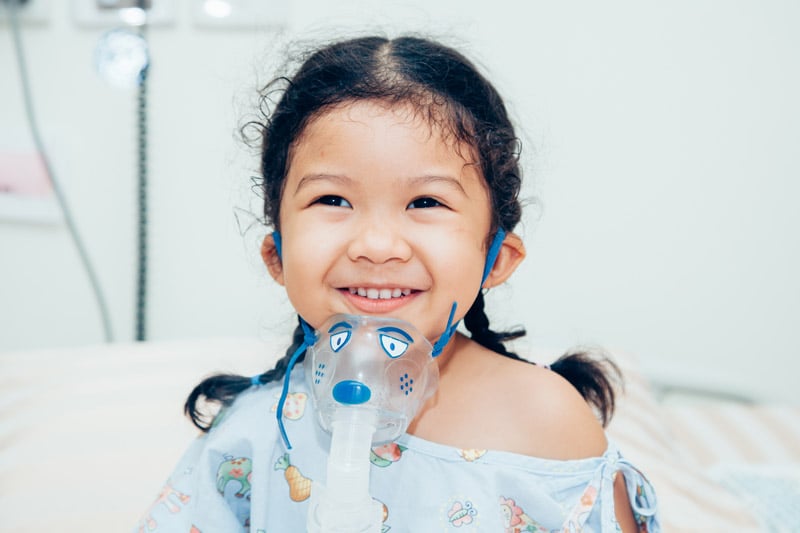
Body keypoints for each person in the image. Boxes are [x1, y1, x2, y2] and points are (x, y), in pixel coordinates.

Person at [136, 35, 659, 532]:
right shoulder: (252, 433)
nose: (377, 244)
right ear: (277, 254)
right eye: (332, 201)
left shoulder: (544, 417)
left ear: (497, 257)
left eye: (426, 203)